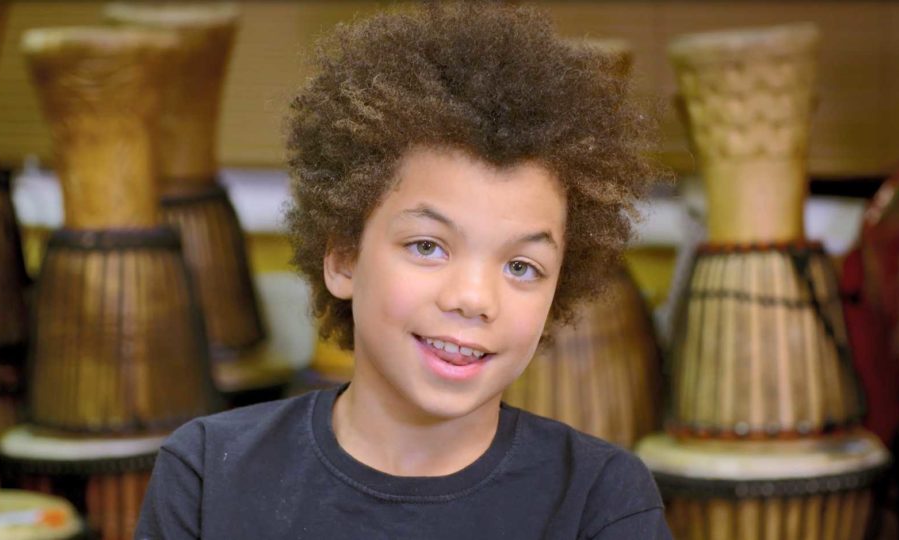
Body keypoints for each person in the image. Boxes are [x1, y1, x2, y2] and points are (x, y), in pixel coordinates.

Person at [135, 3, 670, 539]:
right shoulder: (209, 472)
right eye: (427, 246)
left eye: (522, 266)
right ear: (343, 258)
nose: (473, 297)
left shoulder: (603, 500)